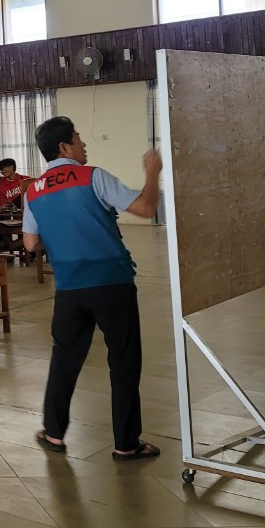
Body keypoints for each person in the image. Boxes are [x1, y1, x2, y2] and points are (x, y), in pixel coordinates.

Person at [22, 116, 162, 461]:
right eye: (79, 139)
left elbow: (29, 244)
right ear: (65, 147)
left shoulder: (33, 190)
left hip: (69, 287)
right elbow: (145, 208)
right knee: (124, 361)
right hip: (111, 282)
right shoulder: (92, 176)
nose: (85, 145)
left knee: (65, 358)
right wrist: (152, 172)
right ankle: (127, 444)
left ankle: (53, 433)